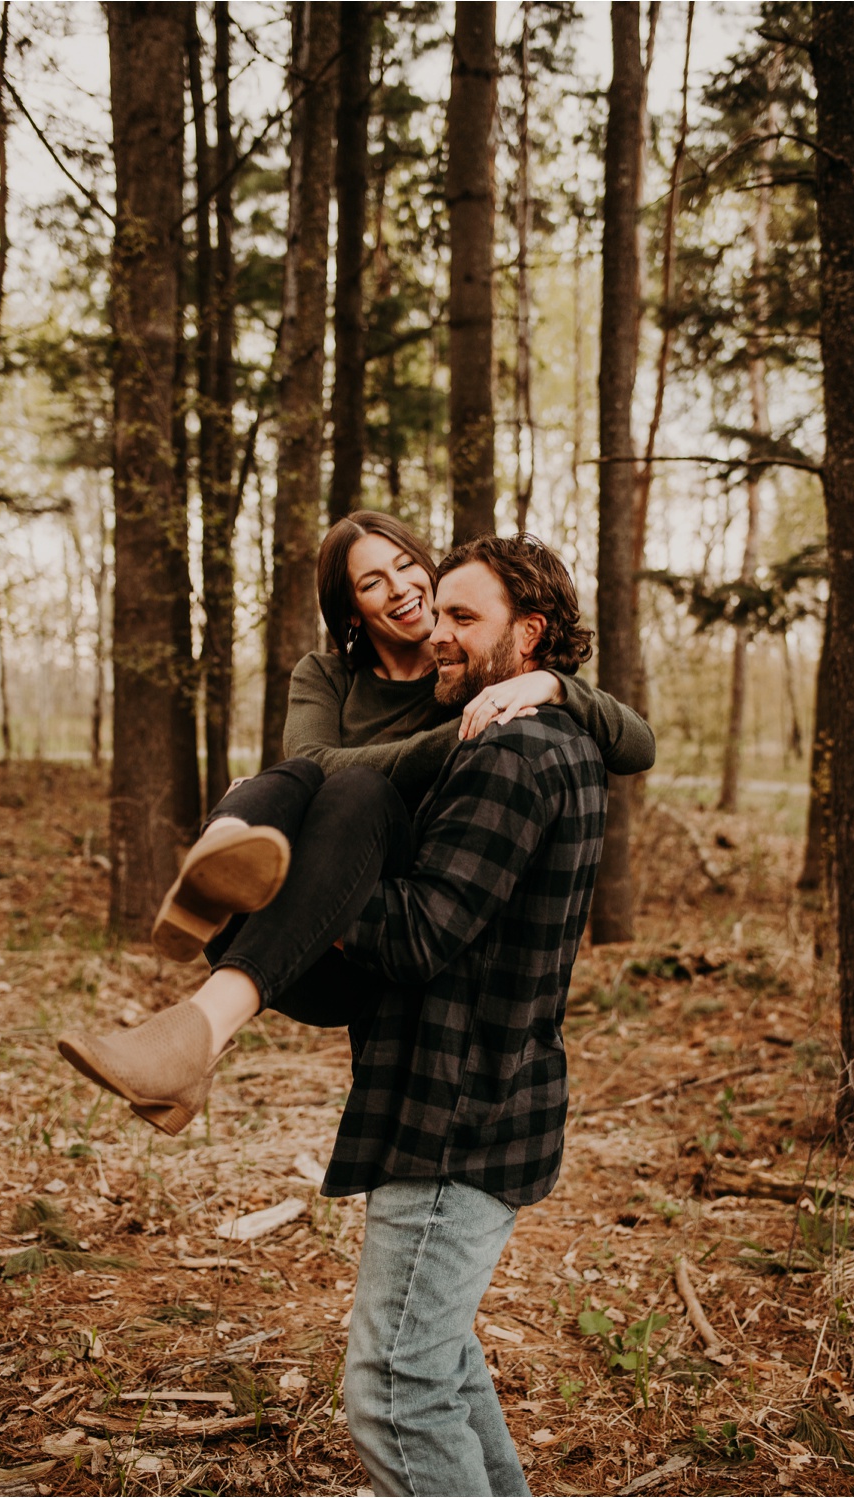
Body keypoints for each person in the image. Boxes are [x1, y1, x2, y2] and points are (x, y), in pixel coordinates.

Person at [58, 511, 650, 1133]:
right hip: (282, 931)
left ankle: (193, 1037)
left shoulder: (466, 670)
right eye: (371, 583)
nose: (400, 589)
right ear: (350, 612)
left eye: (405, 565)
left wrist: (551, 684)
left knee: (352, 787)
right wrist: (462, 729)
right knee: (299, 777)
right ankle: (217, 870)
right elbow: (311, 763)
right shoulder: (336, 676)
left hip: (363, 947)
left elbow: (637, 742)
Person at [306, 531, 600, 1497]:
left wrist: (308, 891)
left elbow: (424, 932)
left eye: (465, 618)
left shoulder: (511, 754)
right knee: (440, 1361)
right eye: (443, 613)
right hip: (469, 1099)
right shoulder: (551, 738)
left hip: (457, 1115)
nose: (438, 631)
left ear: (531, 637)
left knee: (395, 1387)